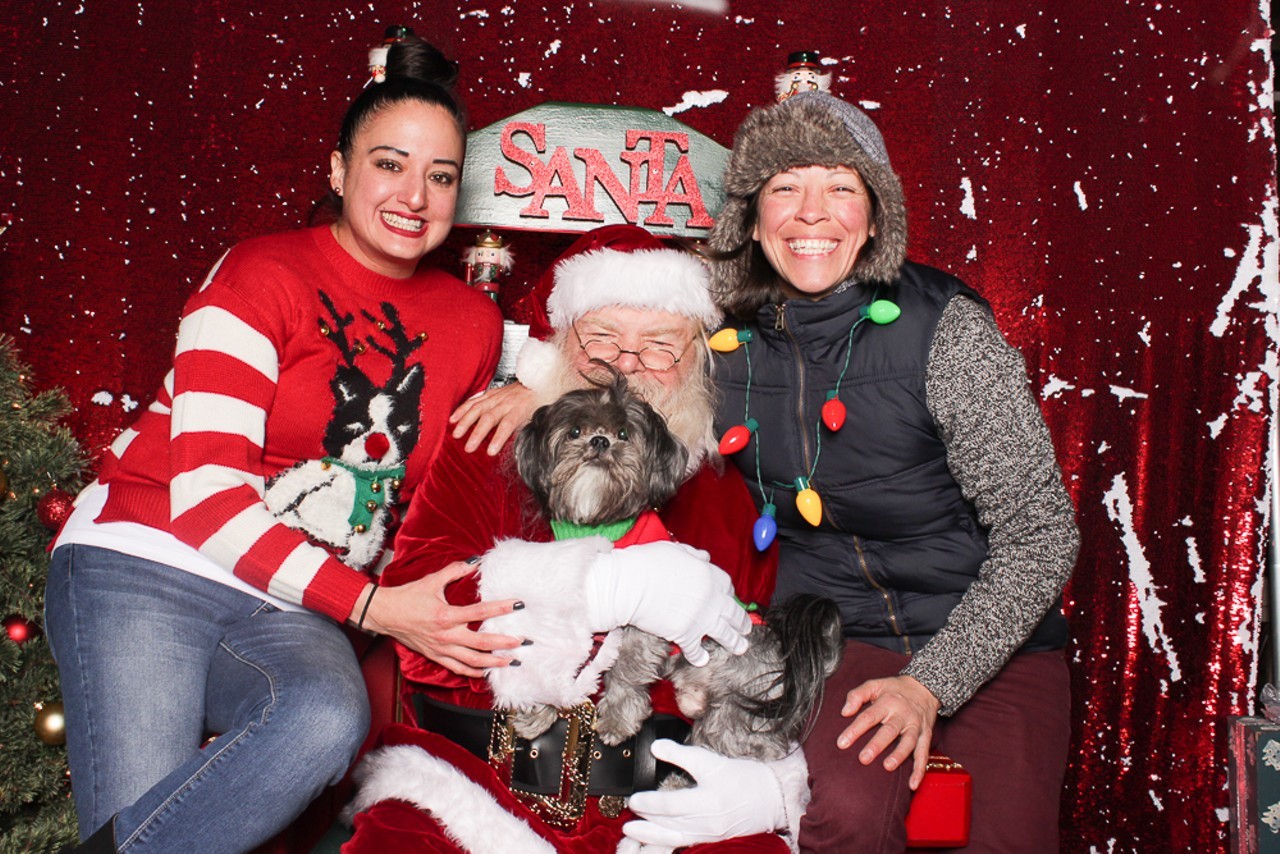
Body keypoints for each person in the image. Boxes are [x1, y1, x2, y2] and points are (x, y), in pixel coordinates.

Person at [43, 37, 507, 853]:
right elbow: (208, 502)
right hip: (150, 559)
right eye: (390, 165)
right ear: (339, 170)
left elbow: (453, 475)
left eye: (440, 176)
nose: (415, 195)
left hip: (291, 600)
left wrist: (542, 389)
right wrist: (376, 608)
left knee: (325, 716)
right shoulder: (260, 274)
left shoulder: (473, 322)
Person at [341, 225, 802, 853]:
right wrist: (598, 588)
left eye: (660, 346)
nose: (626, 364)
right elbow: (417, 616)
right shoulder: (488, 444)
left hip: (660, 803)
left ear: (696, 358)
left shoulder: (721, 489)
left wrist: (768, 783)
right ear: (561, 345)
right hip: (476, 785)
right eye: (602, 339)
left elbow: (754, 657)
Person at [703, 91, 1079, 852]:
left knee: (998, 840)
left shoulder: (945, 330)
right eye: (785, 186)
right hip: (835, 635)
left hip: (990, 633)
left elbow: (1041, 535)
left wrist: (931, 683)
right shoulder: (711, 335)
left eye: (840, 187)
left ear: (875, 217)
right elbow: (613, 354)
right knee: (842, 814)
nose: (811, 213)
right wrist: (530, 388)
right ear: (751, 216)